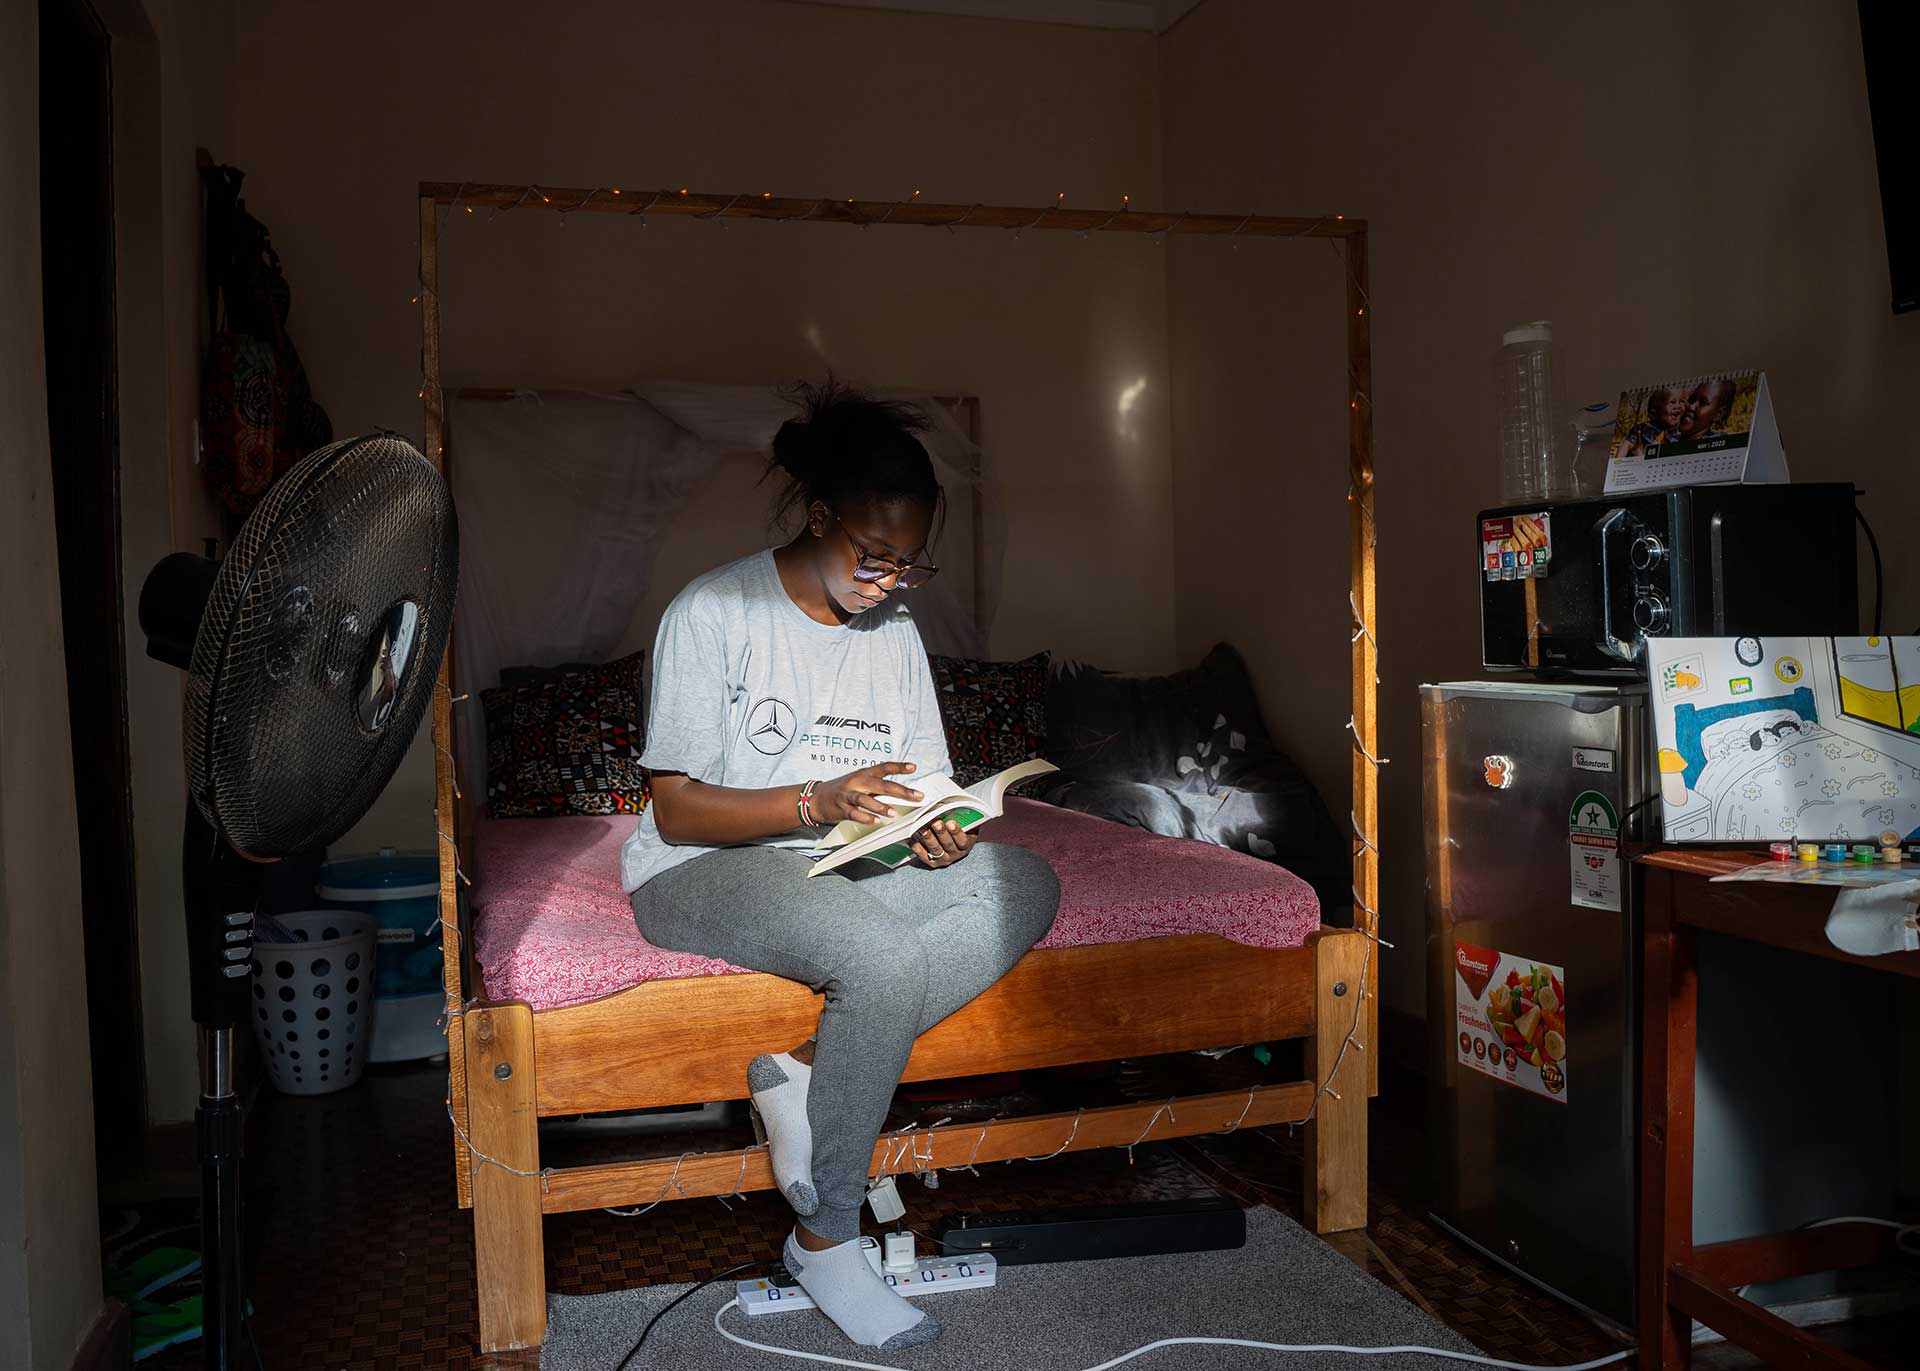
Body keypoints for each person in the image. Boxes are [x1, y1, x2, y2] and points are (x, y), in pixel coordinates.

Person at [622, 381, 1061, 1351]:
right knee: (883, 959)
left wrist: (939, 833)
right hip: (700, 864)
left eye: (910, 565)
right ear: (820, 519)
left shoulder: (895, 635)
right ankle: (825, 1237)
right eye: (873, 557)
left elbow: (920, 792)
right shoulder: (714, 610)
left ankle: (804, 1071)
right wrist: (815, 802)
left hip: (838, 857)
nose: (889, 583)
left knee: (1024, 883)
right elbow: (675, 805)